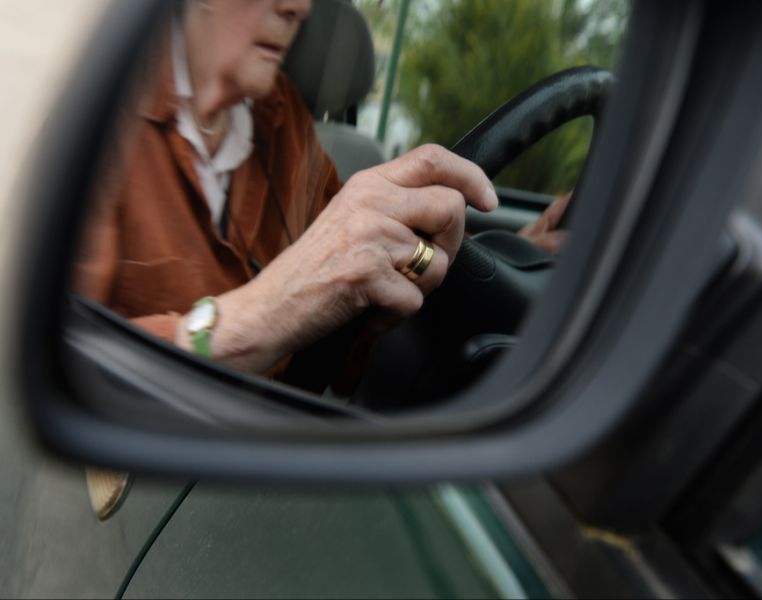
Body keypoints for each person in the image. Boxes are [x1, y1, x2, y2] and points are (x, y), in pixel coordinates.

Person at [77, 0, 568, 380]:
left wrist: (505, 261)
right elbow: (63, 367)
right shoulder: (100, 129)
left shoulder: (284, 119)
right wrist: (253, 319)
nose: (301, 7)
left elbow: (350, 310)